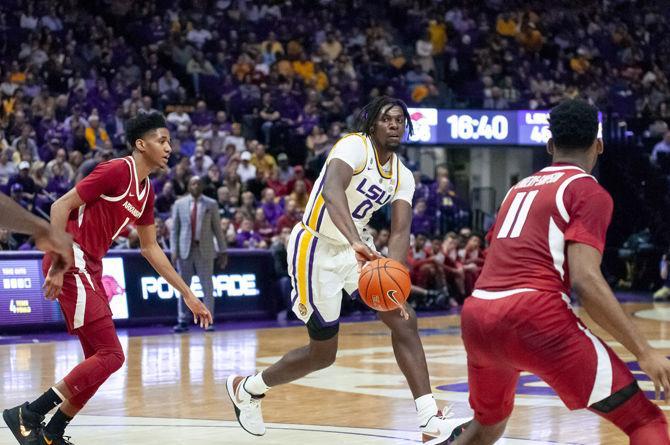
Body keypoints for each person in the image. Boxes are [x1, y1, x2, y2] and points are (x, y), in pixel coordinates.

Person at [226, 96, 462, 444]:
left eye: (399, 119)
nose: (394, 124)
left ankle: (429, 420)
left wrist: (392, 274)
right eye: (387, 119)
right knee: (323, 354)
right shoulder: (354, 146)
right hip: (315, 246)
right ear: (372, 124)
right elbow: (331, 191)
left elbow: (400, 231)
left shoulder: (403, 176)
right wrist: (354, 240)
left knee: (403, 317)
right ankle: (247, 388)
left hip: (358, 250)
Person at [455, 100, 670, 444]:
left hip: (478, 314)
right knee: (646, 422)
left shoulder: (516, 190)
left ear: (550, 145)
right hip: (535, 315)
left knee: (487, 425)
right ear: (598, 145)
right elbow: (586, 279)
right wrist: (644, 352)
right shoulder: (586, 190)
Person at [2, 113, 213, 445]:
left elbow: (150, 247)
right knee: (113, 355)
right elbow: (60, 205)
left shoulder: (146, 192)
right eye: (162, 140)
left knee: (100, 361)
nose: (169, 147)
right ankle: (28, 414)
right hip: (73, 260)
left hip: (91, 266)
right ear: (141, 145)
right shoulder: (117, 170)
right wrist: (59, 264)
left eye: (169, 141)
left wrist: (187, 293)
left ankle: (52, 434)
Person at [171, 175, 228, 333]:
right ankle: (182, 320)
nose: (195, 186)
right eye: (192, 183)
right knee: (183, 287)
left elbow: (217, 229)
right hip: (184, 250)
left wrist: (223, 250)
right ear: (188, 186)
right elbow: (175, 229)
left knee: (207, 286)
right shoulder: (179, 204)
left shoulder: (211, 204)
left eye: (198, 183)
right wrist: (173, 250)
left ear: (202, 186)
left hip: (205, 249)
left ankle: (208, 320)